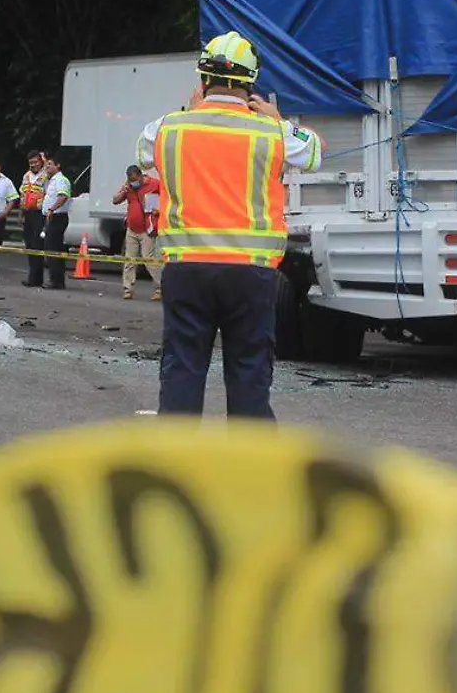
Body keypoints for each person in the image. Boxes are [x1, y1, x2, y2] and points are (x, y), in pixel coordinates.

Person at [136, 32, 322, 419]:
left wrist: (188, 110)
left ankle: (178, 466)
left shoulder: (170, 128)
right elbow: (315, 153)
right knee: (249, 373)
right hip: (250, 274)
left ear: (203, 81)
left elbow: (143, 149)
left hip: (186, 270)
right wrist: (279, 120)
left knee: (182, 369)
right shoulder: (271, 133)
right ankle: (249, 469)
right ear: (250, 85)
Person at [112, 164, 163, 300]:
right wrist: (124, 191)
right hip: (132, 228)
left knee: (148, 259)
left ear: (141, 175)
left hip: (147, 229)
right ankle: (127, 288)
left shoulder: (154, 184)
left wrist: (160, 210)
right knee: (130, 259)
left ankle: (160, 287)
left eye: (135, 179)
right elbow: (115, 200)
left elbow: (167, 199)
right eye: (130, 180)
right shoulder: (128, 187)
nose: (133, 183)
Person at [38, 159, 73, 289]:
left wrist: (52, 209)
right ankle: (56, 279)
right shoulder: (52, 180)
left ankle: (56, 281)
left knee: (53, 249)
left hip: (57, 217)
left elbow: (63, 196)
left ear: (58, 165)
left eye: (50, 164)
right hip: (52, 217)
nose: (47, 167)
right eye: (46, 164)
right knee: (52, 249)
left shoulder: (61, 180)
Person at [21, 151, 50, 287]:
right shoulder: (26, 176)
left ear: (41, 162)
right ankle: (32, 276)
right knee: (29, 245)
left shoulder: (46, 176)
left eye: (36, 162)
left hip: (40, 214)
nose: (33, 165)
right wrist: (21, 214)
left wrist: (45, 160)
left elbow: (50, 169)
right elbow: (23, 195)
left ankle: (35, 278)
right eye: (31, 162)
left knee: (37, 245)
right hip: (28, 213)